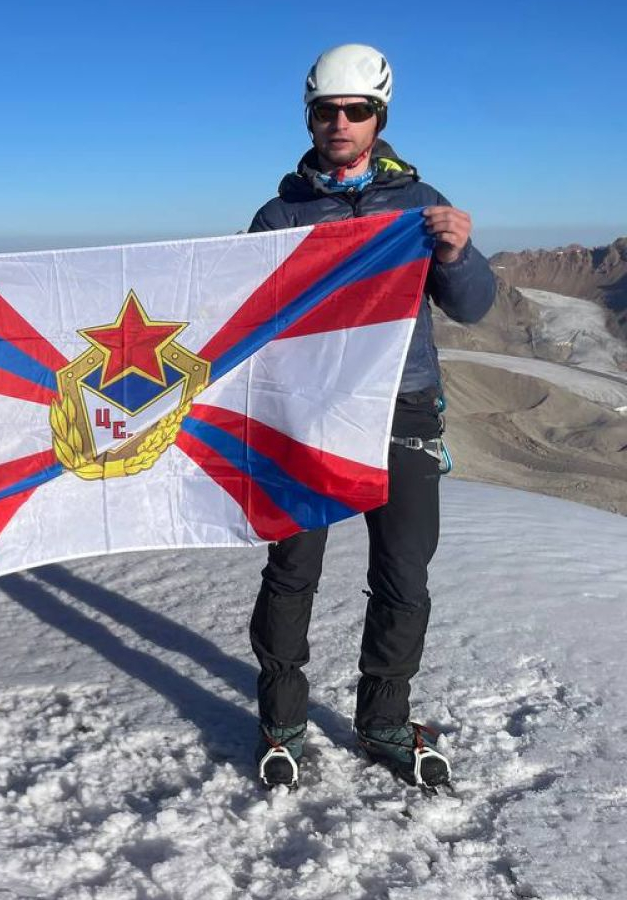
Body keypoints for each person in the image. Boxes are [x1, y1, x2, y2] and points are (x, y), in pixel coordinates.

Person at [245, 47, 495, 788]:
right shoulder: (281, 215)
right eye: (326, 110)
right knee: (292, 570)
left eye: (355, 110)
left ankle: (384, 721)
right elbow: (246, 314)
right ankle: (282, 721)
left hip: (402, 405)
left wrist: (458, 252)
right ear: (310, 118)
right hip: (308, 414)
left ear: (378, 118)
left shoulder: (419, 203)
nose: (340, 122)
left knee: (403, 574)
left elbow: (472, 306)